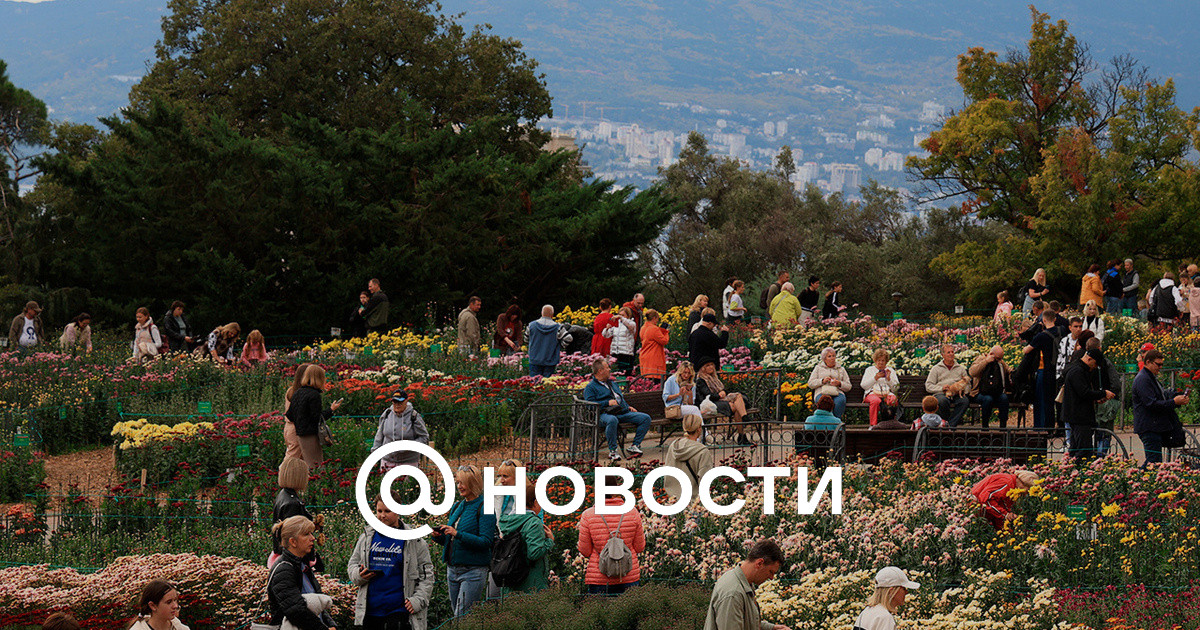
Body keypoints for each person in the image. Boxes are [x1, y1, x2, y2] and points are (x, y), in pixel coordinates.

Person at [348, 494, 436, 630]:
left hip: (400, 611)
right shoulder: (366, 537)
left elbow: (427, 576)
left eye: (387, 511)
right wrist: (359, 574)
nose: (382, 515)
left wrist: (417, 600)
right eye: (379, 511)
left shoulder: (415, 541)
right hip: (370, 610)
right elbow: (352, 565)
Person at [431, 465, 495, 618]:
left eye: (463, 482)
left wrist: (458, 534)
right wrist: (438, 536)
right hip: (452, 570)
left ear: (473, 483)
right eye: (457, 482)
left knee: (461, 617)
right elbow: (452, 539)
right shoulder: (458, 506)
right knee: (458, 615)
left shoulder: (485, 507)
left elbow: (486, 541)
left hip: (473, 570)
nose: (459, 486)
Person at [703, 539, 792, 630]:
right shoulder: (733, 594)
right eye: (771, 572)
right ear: (759, 563)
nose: (771, 577)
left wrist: (772, 628)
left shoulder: (743, 582)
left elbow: (747, 621)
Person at [267, 516, 336, 630]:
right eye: (306, 534)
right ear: (293, 542)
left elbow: (318, 605)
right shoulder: (284, 570)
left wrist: (331, 624)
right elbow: (296, 611)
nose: (313, 538)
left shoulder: (302, 565)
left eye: (312, 533)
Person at [584, 358, 652, 460]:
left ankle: (635, 446)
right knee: (612, 420)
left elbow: (620, 398)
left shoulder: (612, 383)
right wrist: (607, 403)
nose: (610, 370)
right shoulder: (591, 387)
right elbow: (590, 405)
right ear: (600, 371)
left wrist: (628, 406)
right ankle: (613, 451)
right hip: (603, 414)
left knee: (645, 418)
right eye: (607, 368)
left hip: (620, 412)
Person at [577, 497, 645, 596]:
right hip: (628, 575)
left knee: (599, 610)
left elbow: (585, 551)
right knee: (630, 610)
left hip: (598, 577)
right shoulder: (633, 512)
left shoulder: (588, 515)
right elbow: (640, 548)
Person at [496, 479, 554, 594]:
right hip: (531, 583)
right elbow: (534, 553)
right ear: (536, 502)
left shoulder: (509, 521)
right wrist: (550, 541)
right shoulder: (533, 523)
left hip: (510, 578)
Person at [1133, 349, 1190, 465]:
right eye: (1158, 364)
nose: (1160, 367)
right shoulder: (1143, 379)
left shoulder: (1150, 377)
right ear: (1148, 362)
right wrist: (1174, 402)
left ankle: (1138, 479)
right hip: (1148, 426)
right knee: (1154, 462)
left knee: (1154, 461)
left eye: (1162, 365)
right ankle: (1136, 479)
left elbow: (1161, 396)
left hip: (1155, 426)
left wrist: (1176, 398)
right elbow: (1151, 404)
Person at [1061, 348, 1115, 460]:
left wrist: (1096, 398)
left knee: (1077, 449)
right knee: (1083, 451)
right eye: (1095, 364)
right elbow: (1084, 392)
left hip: (1078, 415)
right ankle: (1078, 472)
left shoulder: (1079, 369)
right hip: (1079, 416)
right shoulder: (1077, 371)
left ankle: (1073, 469)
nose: (1094, 367)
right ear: (1089, 359)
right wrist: (1103, 393)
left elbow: (1082, 394)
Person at [271, 457, 324, 571]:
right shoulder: (292, 503)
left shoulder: (283, 495)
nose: (308, 477)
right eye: (306, 474)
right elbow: (292, 533)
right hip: (295, 561)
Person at [284, 366, 343, 467]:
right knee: (315, 464)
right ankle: (314, 482)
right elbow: (317, 418)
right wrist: (331, 410)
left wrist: (300, 422)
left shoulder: (298, 392)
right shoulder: (314, 395)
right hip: (310, 434)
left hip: (300, 433)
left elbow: (289, 414)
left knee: (303, 461)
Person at [697, 359, 751, 445]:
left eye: (711, 365)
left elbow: (723, 389)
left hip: (720, 401)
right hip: (711, 403)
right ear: (703, 368)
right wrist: (719, 395)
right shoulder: (701, 380)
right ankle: (743, 428)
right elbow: (707, 395)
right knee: (736, 405)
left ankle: (742, 435)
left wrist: (723, 393)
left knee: (738, 399)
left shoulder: (714, 378)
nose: (710, 367)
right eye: (707, 365)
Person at [372, 390, 429, 472]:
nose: (397, 405)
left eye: (400, 402)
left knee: (407, 485)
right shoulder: (387, 414)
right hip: (388, 461)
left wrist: (408, 445)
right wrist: (374, 454)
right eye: (394, 402)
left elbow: (424, 437)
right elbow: (379, 436)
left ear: (406, 401)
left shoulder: (414, 416)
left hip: (409, 462)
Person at [852, 567, 919, 630]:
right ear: (892, 591)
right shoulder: (885, 618)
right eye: (903, 588)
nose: (906, 592)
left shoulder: (867, 612)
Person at [664, 414, 713, 501]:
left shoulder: (674, 446)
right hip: (693, 501)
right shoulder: (702, 451)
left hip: (673, 498)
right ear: (699, 429)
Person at [972, 470, 1040, 530]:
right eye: (1027, 490)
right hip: (973, 512)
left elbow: (1000, 506)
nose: (1025, 494)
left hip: (979, 516)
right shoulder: (1007, 482)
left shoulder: (1012, 487)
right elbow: (986, 499)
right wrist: (1006, 514)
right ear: (1023, 483)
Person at [925, 345, 970, 427]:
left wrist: (963, 391)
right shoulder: (936, 369)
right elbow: (928, 386)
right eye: (948, 352)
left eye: (952, 352)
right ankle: (945, 423)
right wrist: (941, 388)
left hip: (956, 393)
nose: (951, 354)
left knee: (964, 401)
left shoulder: (960, 368)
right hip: (941, 393)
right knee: (942, 401)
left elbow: (967, 384)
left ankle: (950, 425)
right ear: (942, 355)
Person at [969, 345, 1011, 428]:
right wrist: (986, 361)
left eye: (1001, 358)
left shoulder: (1000, 362)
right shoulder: (981, 359)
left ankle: (1003, 426)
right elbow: (972, 372)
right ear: (991, 353)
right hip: (980, 392)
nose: (999, 360)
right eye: (998, 358)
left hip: (996, 391)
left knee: (1004, 398)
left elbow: (1009, 370)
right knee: (988, 399)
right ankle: (985, 426)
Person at [808, 348, 851, 419]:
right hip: (822, 392)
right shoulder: (818, 368)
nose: (832, 358)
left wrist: (839, 383)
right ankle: (825, 424)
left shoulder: (841, 369)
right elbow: (810, 383)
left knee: (840, 401)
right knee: (824, 401)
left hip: (837, 392)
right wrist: (822, 381)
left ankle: (836, 423)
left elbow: (848, 386)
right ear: (824, 359)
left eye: (833, 356)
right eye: (829, 356)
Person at [861, 349, 900, 426]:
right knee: (875, 401)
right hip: (872, 393)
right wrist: (875, 378)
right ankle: (873, 425)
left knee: (893, 400)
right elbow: (864, 386)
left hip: (887, 393)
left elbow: (896, 388)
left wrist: (889, 379)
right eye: (879, 360)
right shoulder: (869, 370)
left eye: (883, 360)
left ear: (886, 361)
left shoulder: (890, 370)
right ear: (875, 360)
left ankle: (890, 424)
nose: (881, 362)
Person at [283, 364, 312, 460]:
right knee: (291, 458)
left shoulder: (291, 390)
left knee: (298, 458)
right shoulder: (301, 393)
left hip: (288, 427)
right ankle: (283, 474)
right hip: (296, 428)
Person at [526, 305, 562, 377]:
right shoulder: (558, 327)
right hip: (550, 360)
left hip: (534, 359)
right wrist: (560, 345)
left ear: (541, 313)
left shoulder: (531, 325)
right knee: (547, 383)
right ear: (552, 315)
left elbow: (526, 339)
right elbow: (568, 338)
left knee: (534, 383)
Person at [605, 306, 639, 377]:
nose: (620, 316)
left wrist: (621, 318)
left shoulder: (632, 323)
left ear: (628, 315)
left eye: (623, 315)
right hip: (615, 352)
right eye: (620, 314)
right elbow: (606, 335)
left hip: (626, 353)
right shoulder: (616, 324)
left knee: (624, 374)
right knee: (615, 373)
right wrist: (607, 329)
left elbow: (631, 328)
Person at [638, 309, 670, 382]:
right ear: (654, 318)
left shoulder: (643, 328)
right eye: (657, 319)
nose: (657, 321)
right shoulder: (654, 328)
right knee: (656, 382)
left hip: (644, 357)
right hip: (654, 359)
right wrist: (665, 332)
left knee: (647, 382)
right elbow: (664, 341)